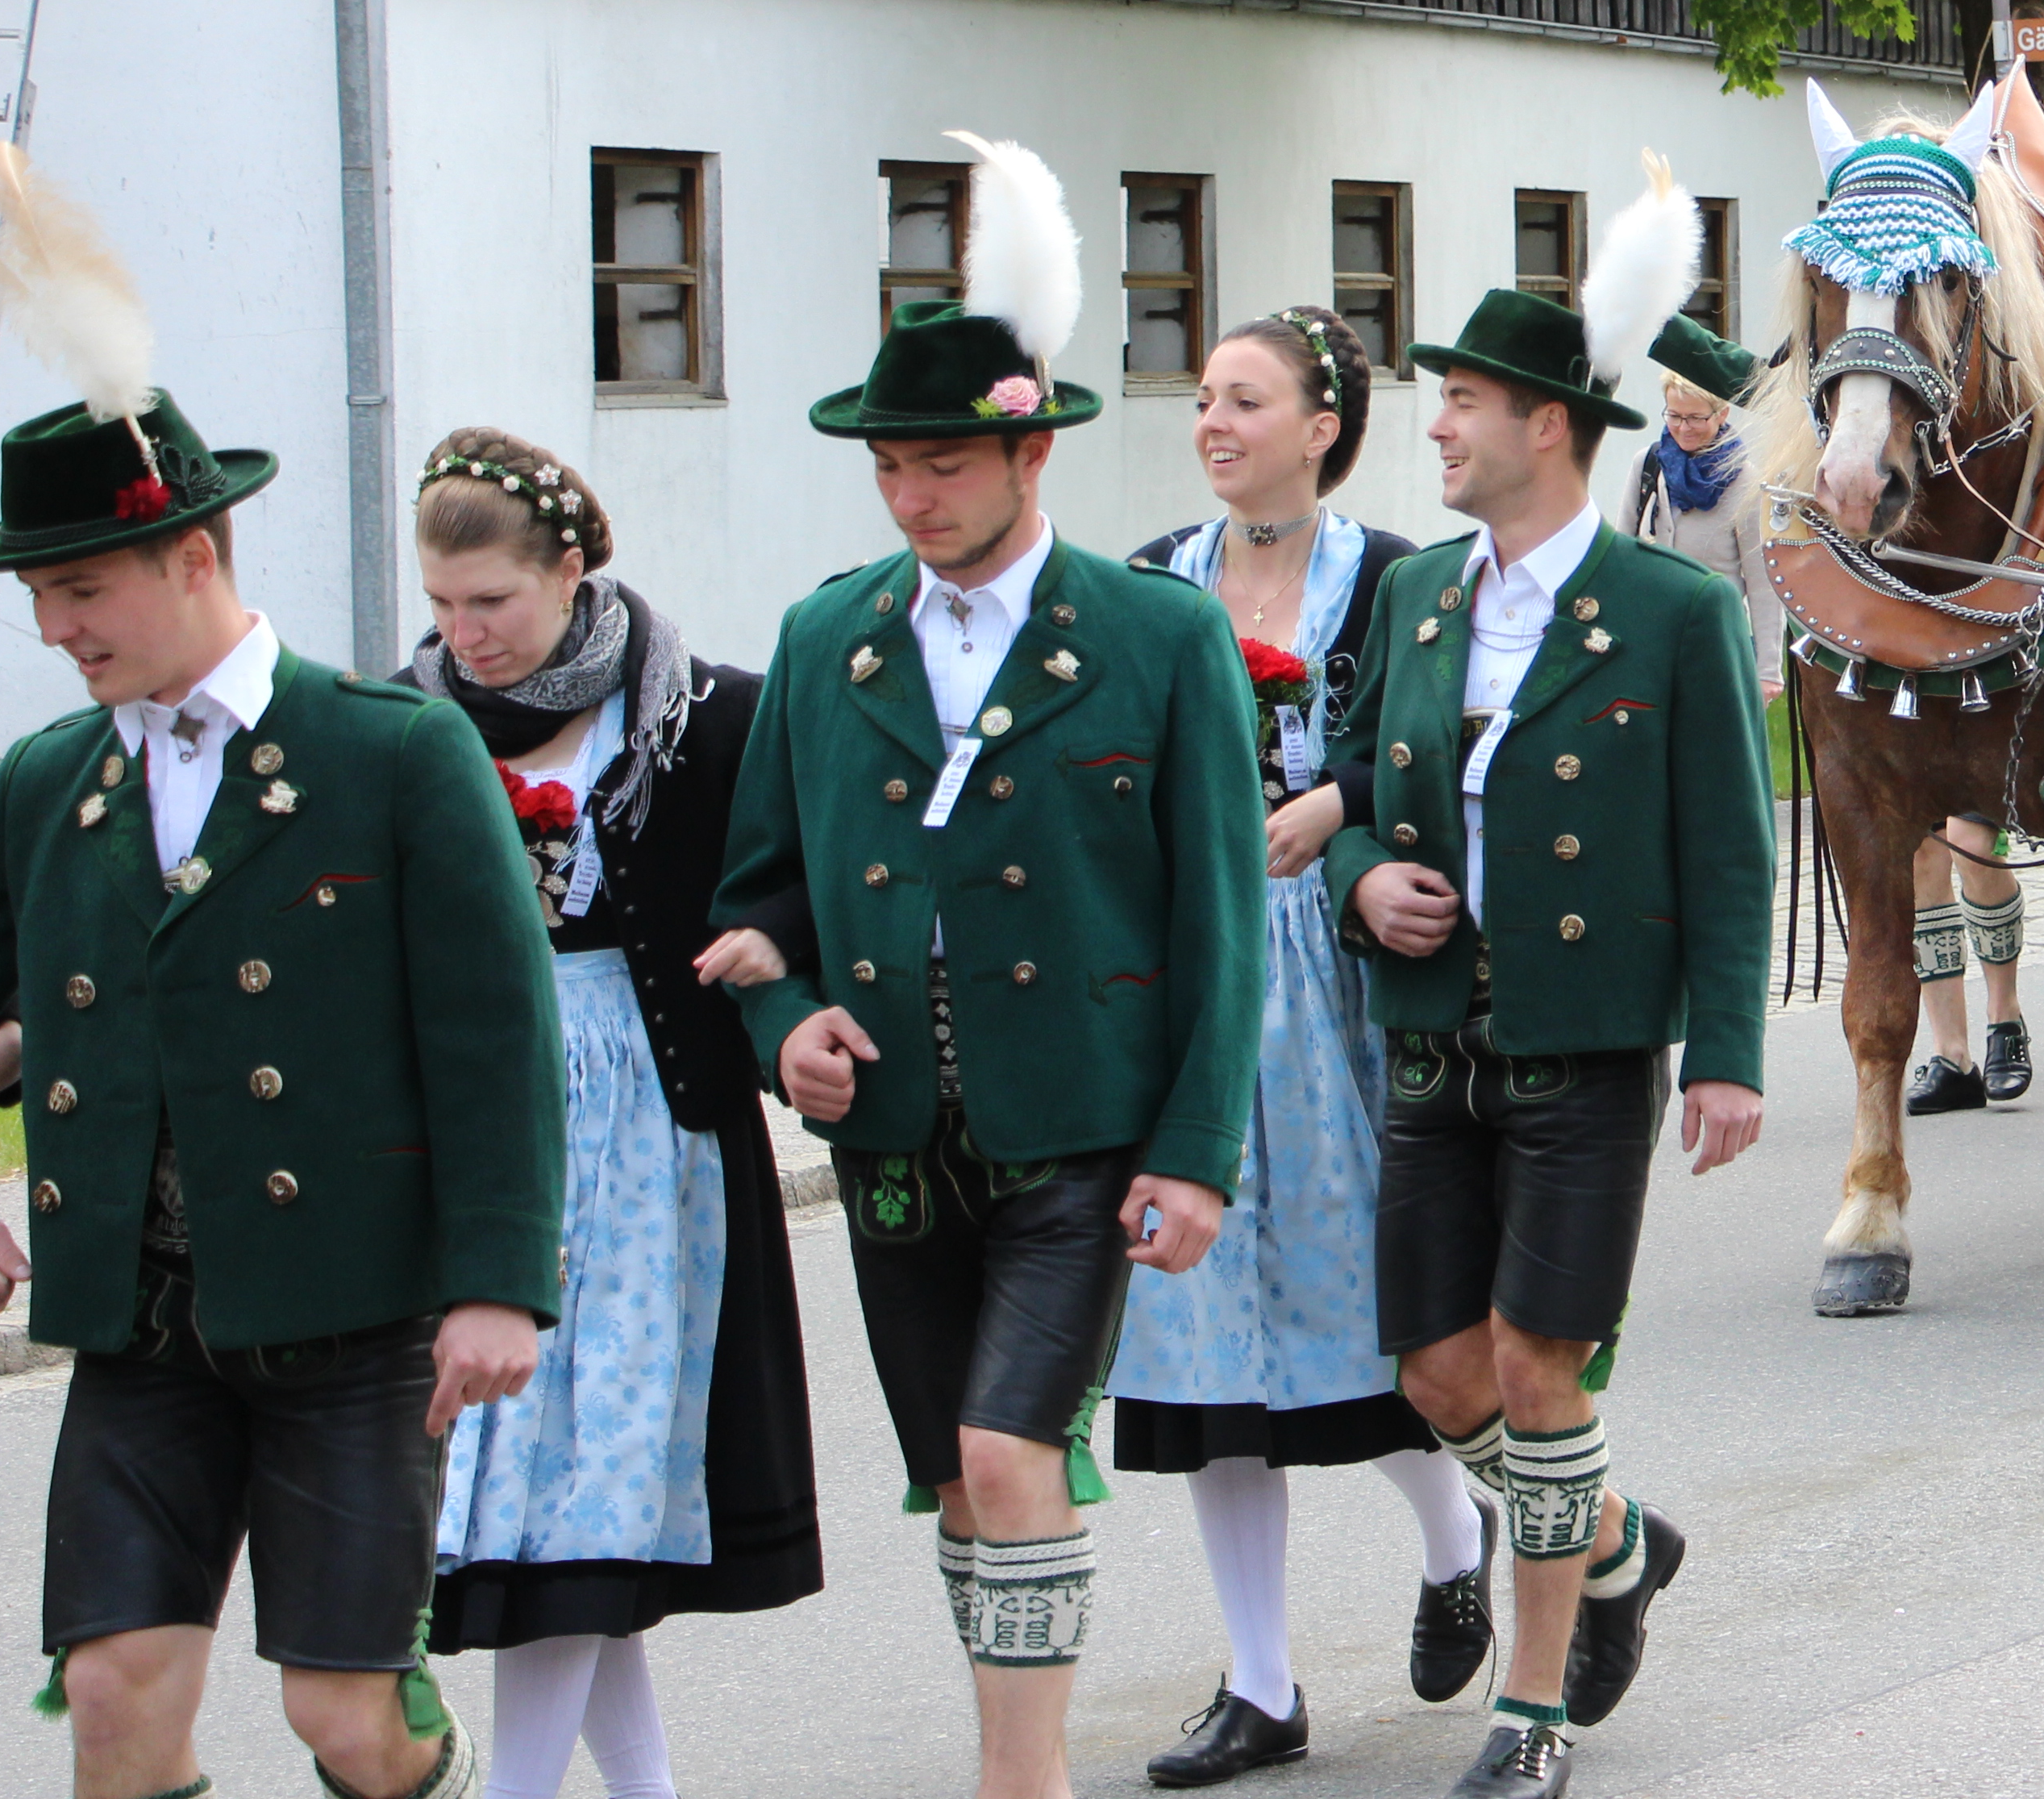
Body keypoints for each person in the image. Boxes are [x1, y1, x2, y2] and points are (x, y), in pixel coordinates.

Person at [0, 152, 565, 1799]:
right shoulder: (48, 782)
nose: (55, 630)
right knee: (109, 1693)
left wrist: (498, 1280)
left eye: (78, 588)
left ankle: (411, 1750)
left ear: (190, 556)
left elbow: (488, 1031)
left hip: (353, 1314)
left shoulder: (389, 755)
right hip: (146, 1324)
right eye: (38, 595)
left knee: (346, 1723)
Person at [711, 134, 1268, 1799]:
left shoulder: (1158, 636)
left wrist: (1194, 1155)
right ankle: (1012, 1742)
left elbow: (1219, 923)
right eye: (890, 467)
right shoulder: (826, 640)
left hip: (1078, 1117)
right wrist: (776, 1026)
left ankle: (1018, 1788)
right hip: (890, 1128)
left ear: (1028, 455)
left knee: (1008, 1453)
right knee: (957, 1490)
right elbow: (759, 905)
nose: (911, 496)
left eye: (941, 464)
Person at [1327, 158, 1775, 1798]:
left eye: (1465, 402)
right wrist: (1371, 878)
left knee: (1535, 1366)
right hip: (1433, 1040)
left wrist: (1725, 1052)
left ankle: (1532, 1715)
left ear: (1551, 427)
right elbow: (1356, 793)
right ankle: (1612, 1541)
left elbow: (1731, 848)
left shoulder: (1663, 610)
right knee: (1434, 1372)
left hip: (1589, 1044)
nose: (1436, 426)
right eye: (1439, 400)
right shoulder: (1416, 596)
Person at [406, 429, 821, 1799]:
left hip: (657, 1135)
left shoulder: (706, 714)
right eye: (445, 603)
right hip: (490, 1133)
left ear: (570, 570)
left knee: (587, 1512)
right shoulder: (405, 733)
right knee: (543, 1515)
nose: (467, 635)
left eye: (495, 603)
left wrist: (769, 954)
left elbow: (791, 880)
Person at [1109, 309, 1495, 1787]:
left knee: (1362, 1315)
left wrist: (1335, 804)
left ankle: (1458, 1535)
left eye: (1243, 399)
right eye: (1204, 397)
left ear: (1321, 426)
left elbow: (1434, 744)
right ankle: (1260, 1684)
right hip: (1193, 984)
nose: (1212, 422)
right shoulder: (1151, 581)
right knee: (1203, 1342)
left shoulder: (1396, 579)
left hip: (1331, 985)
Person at [1624, 369, 1784, 691]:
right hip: (1649, 639)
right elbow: (1622, 555)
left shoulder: (1745, 482)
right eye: (1675, 416)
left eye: (1696, 418)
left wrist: (1767, 671)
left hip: (1715, 642)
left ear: (1721, 414)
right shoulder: (1647, 465)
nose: (1684, 428)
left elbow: (1763, 581)